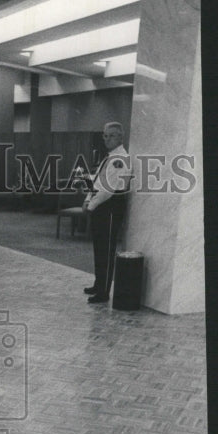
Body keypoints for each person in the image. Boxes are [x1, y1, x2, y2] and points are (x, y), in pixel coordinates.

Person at [83, 121, 132, 303]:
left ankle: (103, 292)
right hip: (101, 204)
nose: (107, 139)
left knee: (107, 249)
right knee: (99, 247)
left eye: (111, 135)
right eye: (105, 135)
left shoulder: (120, 159)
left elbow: (108, 189)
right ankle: (98, 284)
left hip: (111, 206)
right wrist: (88, 199)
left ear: (120, 137)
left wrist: (91, 205)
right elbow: (97, 181)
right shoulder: (109, 157)